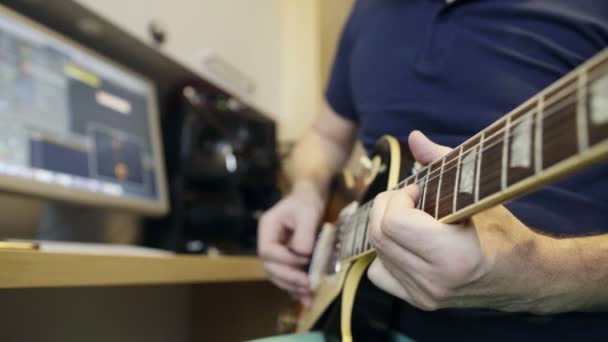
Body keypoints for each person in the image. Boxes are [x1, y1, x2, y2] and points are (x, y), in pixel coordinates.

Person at [257, 0, 608, 340]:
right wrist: (306, 191)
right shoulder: (366, 9)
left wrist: (541, 275)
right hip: (361, 318)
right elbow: (325, 136)